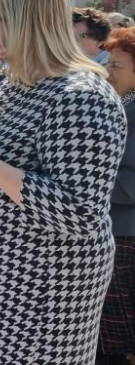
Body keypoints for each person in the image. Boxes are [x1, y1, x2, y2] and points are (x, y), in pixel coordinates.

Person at [0, 0, 126, 365]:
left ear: (22, 23)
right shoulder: (13, 79)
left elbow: (80, 211)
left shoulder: (82, 97)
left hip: (39, 288)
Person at [98, 28, 135, 364]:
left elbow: (129, 184)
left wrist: (88, 176)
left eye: (117, 66)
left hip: (124, 233)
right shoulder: (120, 103)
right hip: (115, 227)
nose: (107, 72)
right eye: (108, 64)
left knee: (116, 321)